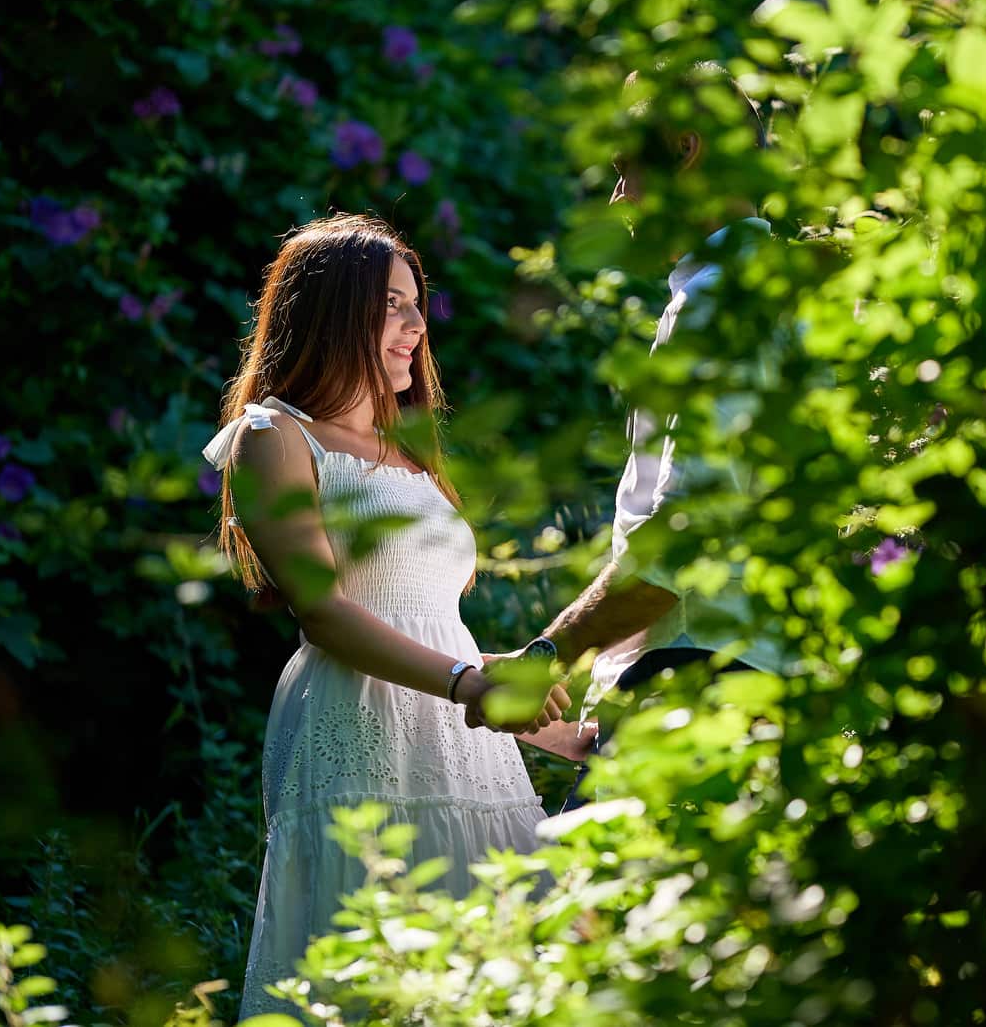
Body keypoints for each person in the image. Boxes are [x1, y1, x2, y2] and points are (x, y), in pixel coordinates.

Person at [200, 213, 569, 1019]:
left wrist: (554, 729)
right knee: (370, 960)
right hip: (352, 725)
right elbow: (328, 612)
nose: (415, 326)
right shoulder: (273, 435)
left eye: (416, 304)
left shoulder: (407, 454)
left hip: (453, 731)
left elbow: (437, 629)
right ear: (334, 313)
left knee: (493, 967)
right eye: (392, 306)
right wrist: (470, 680)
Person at [510, 64, 790, 803]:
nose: (618, 198)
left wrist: (548, 652)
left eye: (624, 169)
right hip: (763, 686)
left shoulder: (715, 305)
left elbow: (683, 541)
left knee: (578, 914)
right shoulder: (783, 292)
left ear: (686, 150)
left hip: (697, 681)